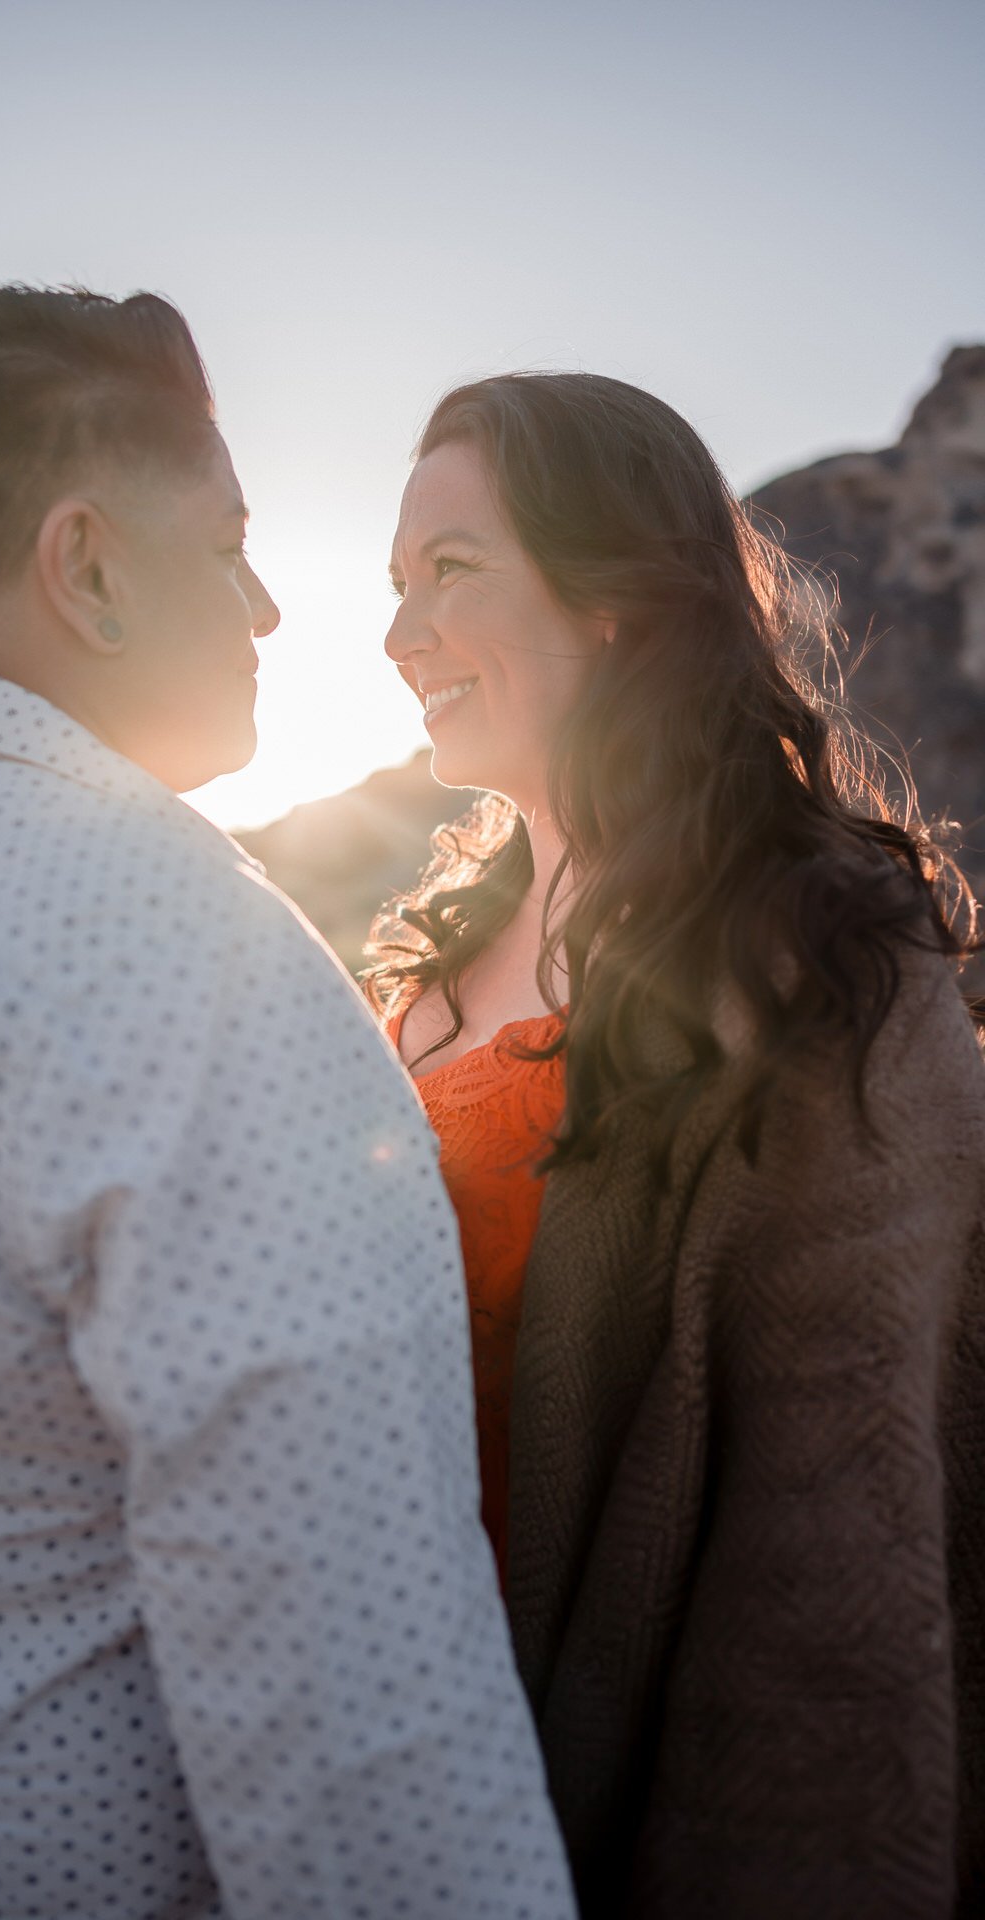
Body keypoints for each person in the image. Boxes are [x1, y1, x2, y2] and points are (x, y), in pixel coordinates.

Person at [0, 288, 577, 1920]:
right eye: (229, 542)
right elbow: (360, 1718)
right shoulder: (187, 960)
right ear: (87, 565)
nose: (264, 607)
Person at [368, 370, 985, 1918]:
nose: (398, 638)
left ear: (615, 603)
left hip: (619, 1781)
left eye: (451, 573)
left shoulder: (825, 957)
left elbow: (841, 1543)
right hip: (387, 1752)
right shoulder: (432, 954)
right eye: (393, 586)